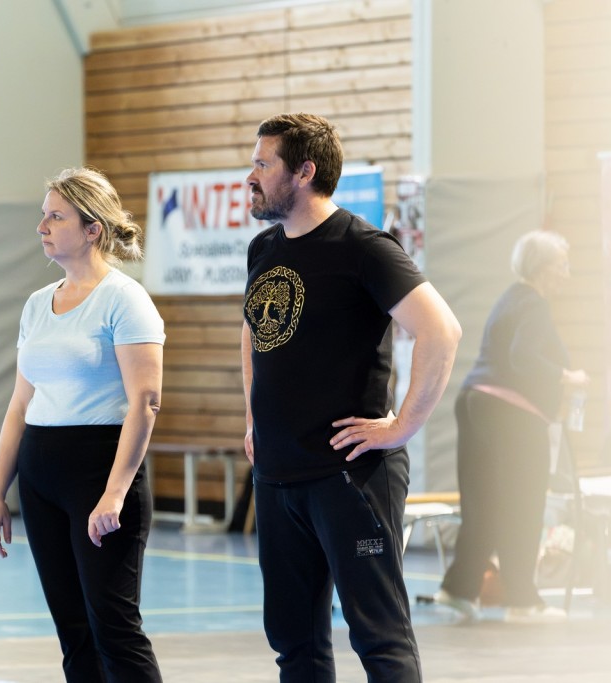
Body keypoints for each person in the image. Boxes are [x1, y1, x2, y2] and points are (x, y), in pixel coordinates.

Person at [241, 113, 462, 682]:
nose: (251, 176)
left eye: (264, 164)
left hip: (348, 475)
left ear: (304, 172)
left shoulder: (362, 246)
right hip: (278, 475)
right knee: (294, 643)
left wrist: (402, 427)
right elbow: (254, 334)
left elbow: (441, 330)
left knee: (379, 638)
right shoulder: (263, 249)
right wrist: (254, 418)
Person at [0, 167, 165, 682]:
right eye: (43, 216)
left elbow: (145, 402)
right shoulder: (36, 305)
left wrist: (114, 494)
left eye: (56, 217)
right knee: (73, 631)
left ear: (92, 230)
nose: (42, 226)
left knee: (115, 628)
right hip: (41, 476)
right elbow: (19, 405)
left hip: (99, 470)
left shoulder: (124, 299)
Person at [435, 229, 589, 623]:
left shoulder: (510, 298)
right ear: (542, 269)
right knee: (523, 505)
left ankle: (458, 589)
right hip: (511, 415)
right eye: (561, 266)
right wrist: (568, 377)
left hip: (477, 403)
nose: (566, 274)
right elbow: (525, 357)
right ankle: (523, 601)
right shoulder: (534, 304)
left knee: (484, 504)